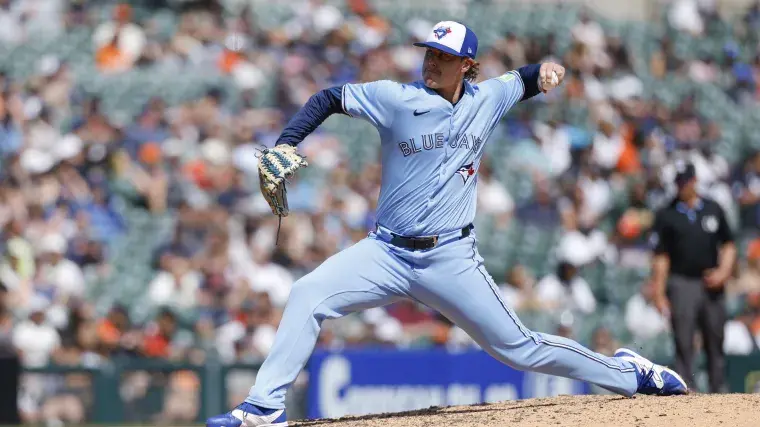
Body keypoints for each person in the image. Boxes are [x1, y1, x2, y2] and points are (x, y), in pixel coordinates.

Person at [207, 21, 687, 427]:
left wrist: (544, 71)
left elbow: (521, 80)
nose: (431, 62)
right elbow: (329, 97)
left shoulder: (486, 98)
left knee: (520, 349)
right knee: (307, 293)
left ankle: (630, 373)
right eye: (429, 53)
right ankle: (264, 407)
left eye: (443, 56)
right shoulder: (396, 98)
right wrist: (287, 141)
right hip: (386, 253)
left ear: (466, 65)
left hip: (450, 257)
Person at [648, 160, 736, 393]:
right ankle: (685, 390)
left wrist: (723, 272)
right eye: (679, 182)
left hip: (711, 283)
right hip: (682, 282)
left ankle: (719, 389)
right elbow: (661, 257)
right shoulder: (667, 214)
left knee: (715, 338)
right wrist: (659, 292)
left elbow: (728, 244)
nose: (682, 186)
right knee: (683, 339)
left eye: (685, 181)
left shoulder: (713, 209)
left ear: (694, 181)